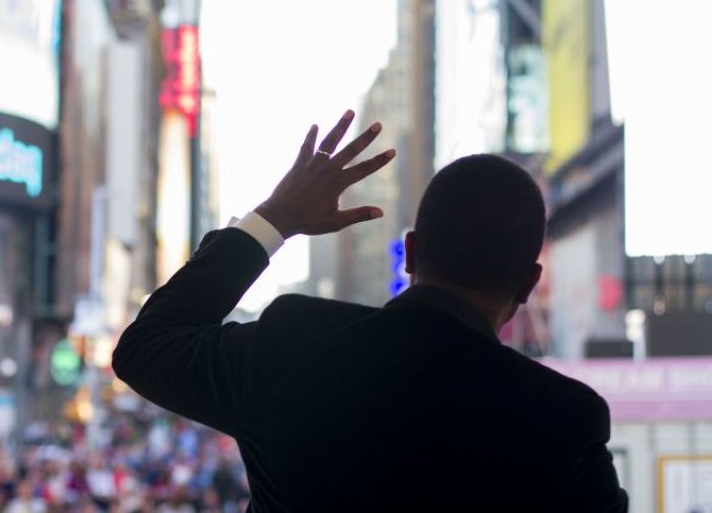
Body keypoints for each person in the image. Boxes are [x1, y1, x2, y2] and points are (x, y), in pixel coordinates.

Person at [113, 110, 629, 511]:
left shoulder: (295, 344)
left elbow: (144, 349)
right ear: (528, 284)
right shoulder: (563, 421)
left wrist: (274, 219)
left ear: (411, 250)